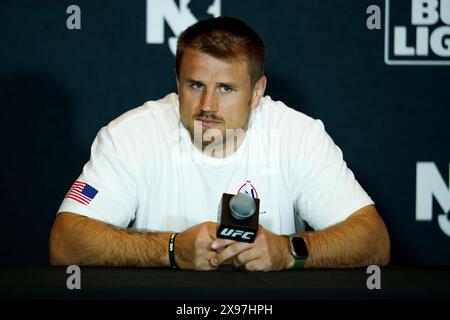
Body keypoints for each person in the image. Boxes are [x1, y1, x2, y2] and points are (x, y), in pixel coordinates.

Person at [49, 16, 390, 271]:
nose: (207, 105)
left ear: (257, 92)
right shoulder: (131, 135)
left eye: (226, 88)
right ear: (177, 83)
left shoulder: (298, 135)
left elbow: (374, 240)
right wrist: (170, 249)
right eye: (195, 85)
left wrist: (289, 252)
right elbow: (64, 243)